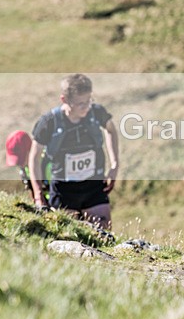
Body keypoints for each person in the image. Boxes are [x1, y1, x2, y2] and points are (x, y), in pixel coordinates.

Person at [28, 74, 120, 230]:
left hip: (94, 185)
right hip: (63, 190)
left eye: (89, 101)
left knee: (104, 234)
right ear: (64, 100)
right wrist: (38, 194)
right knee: (69, 236)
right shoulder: (48, 122)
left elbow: (111, 130)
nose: (86, 107)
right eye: (80, 104)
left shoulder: (96, 113)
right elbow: (34, 158)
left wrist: (114, 166)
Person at [5, 130, 50, 204]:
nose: (19, 164)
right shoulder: (24, 170)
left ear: (30, 150)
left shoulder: (48, 165)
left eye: (21, 159)